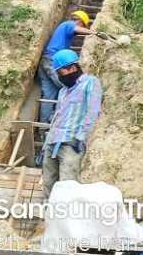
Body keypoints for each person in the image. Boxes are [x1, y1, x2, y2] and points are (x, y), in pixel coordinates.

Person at [42, 49, 102, 199]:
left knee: (67, 188)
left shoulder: (90, 83)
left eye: (59, 72)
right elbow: (58, 116)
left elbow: (92, 112)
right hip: (52, 143)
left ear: (72, 68)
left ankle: (65, 220)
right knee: (48, 184)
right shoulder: (63, 91)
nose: (59, 76)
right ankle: (48, 217)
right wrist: (46, 143)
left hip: (71, 144)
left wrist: (79, 138)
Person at [36, 10, 93, 124]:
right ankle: (61, 120)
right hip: (52, 61)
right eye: (83, 25)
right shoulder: (69, 24)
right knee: (68, 88)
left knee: (49, 95)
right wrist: (94, 33)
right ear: (80, 22)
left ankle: (43, 128)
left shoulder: (65, 32)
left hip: (45, 62)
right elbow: (76, 29)